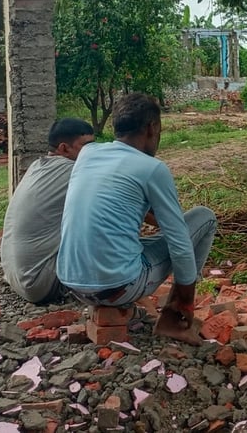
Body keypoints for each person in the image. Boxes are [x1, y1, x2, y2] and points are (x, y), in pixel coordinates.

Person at [57, 93, 216, 345]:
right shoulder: (152, 168)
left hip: (72, 285)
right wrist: (186, 300)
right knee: (204, 218)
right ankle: (174, 320)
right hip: (118, 289)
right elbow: (179, 242)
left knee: (129, 240)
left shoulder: (88, 154)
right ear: (152, 128)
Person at [0, 118, 95, 304]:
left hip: (16, 277)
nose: (93, 152)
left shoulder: (37, 166)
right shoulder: (75, 171)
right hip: (40, 285)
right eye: (86, 146)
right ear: (64, 148)